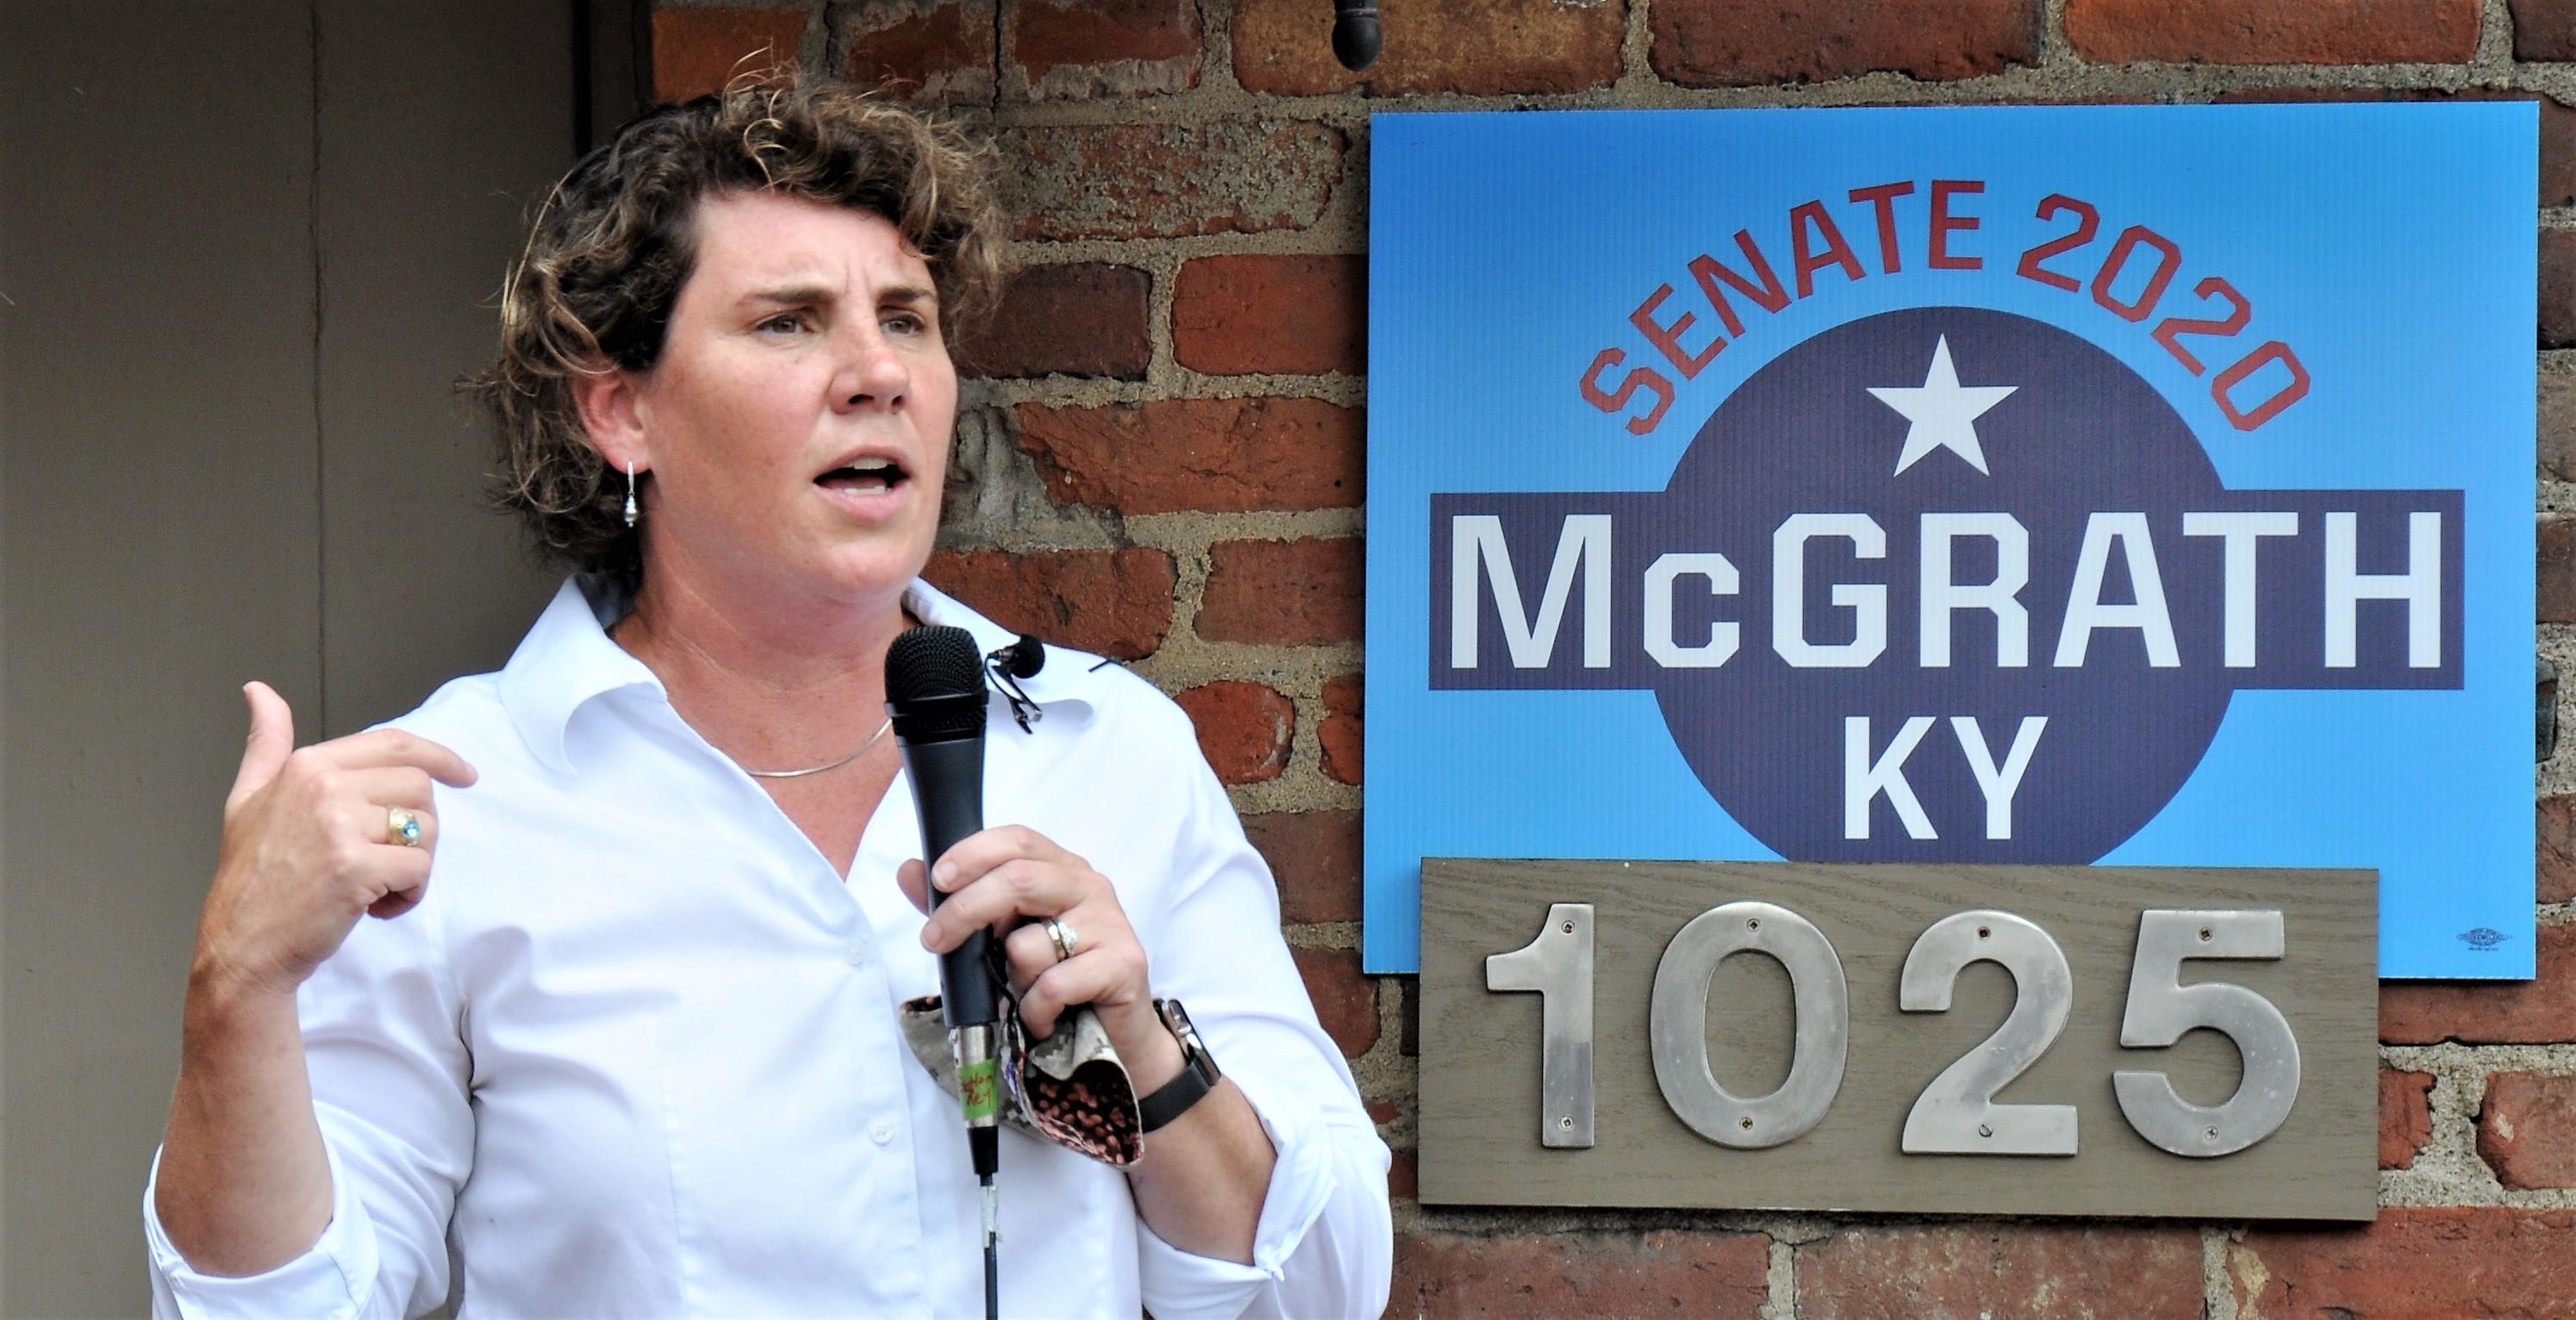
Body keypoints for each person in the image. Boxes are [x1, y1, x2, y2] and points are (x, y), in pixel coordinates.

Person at [143, 72, 1394, 1318]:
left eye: (906, 319)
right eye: (789, 323)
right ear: (622, 411)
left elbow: (1326, 1292)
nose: (877, 372)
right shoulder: (448, 805)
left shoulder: (1110, 749)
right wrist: (235, 987)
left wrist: (1147, 1050)